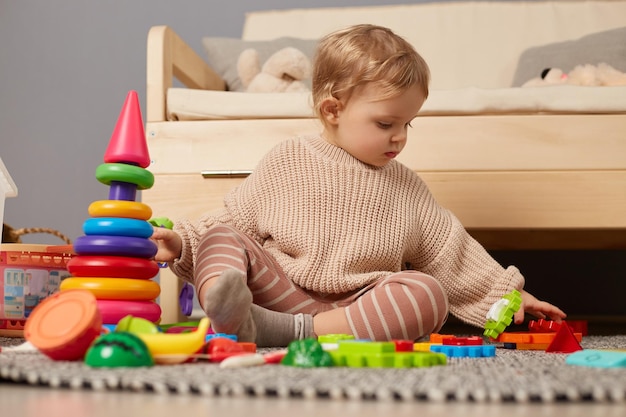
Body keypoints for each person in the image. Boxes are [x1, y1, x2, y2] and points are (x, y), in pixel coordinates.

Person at [151, 24, 566, 347]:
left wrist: (507, 294)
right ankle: (234, 315)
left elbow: (450, 251)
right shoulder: (288, 160)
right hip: (279, 289)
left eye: (407, 123)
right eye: (386, 123)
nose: (400, 136)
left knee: (427, 293)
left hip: (356, 308)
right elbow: (233, 220)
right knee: (221, 238)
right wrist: (182, 242)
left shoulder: (406, 188)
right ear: (333, 109)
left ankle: (279, 331)